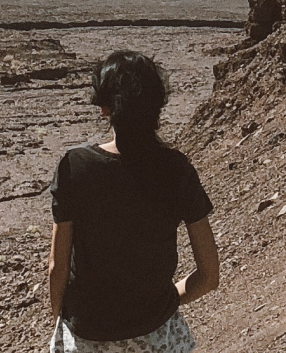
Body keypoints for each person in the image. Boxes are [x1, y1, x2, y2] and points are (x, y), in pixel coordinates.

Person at [46, 50, 219, 353]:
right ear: (158, 105)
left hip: (88, 335)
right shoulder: (176, 169)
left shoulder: (75, 166)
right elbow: (209, 275)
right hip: (157, 337)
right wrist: (165, 302)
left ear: (104, 107)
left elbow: (57, 268)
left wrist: (60, 320)